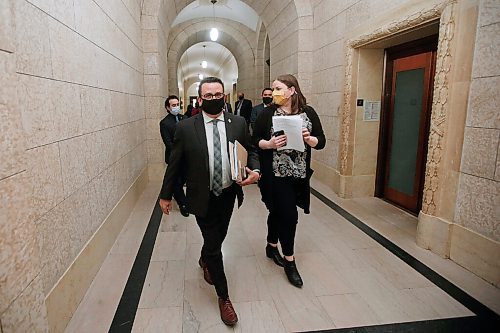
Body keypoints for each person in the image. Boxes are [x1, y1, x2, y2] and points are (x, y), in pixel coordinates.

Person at [159, 77, 260, 326]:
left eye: (218, 94)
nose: (213, 98)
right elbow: (175, 163)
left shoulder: (237, 122)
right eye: (209, 95)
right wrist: (165, 194)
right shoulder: (185, 127)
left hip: (227, 193)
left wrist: (255, 170)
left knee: (218, 237)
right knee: (215, 246)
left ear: (224, 96)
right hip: (201, 195)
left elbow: (252, 150)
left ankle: (205, 258)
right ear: (200, 98)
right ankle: (224, 297)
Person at [252, 74, 326, 288]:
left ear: (292, 90)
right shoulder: (267, 114)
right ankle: (290, 261)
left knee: (277, 211)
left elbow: (321, 140)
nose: (274, 92)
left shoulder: (308, 113)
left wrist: (309, 139)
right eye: (273, 89)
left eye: (278, 88)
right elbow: (255, 140)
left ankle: (271, 245)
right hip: (276, 175)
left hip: (299, 174)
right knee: (289, 215)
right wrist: (270, 144)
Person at [159, 95, 189, 217]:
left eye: (178, 104)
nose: (176, 107)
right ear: (168, 107)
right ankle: (183, 204)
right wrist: (180, 153)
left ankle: (179, 196)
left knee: (183, 180)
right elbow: (168, 143)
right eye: (173, 105)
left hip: (188, 157)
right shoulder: (164, 123)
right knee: (176, 183)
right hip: (174, 158)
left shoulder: (185, 118)